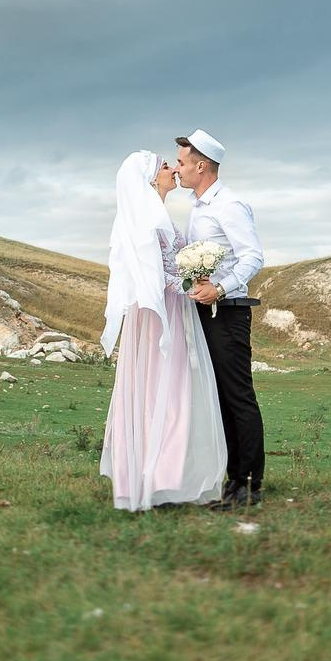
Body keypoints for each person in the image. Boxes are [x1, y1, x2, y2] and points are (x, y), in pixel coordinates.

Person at [97, 151, 228, 511]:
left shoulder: (159, 214)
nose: (172, 169)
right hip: (159, 314)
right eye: (165, 167)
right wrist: (185, 285)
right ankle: (153, 476)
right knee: (162, 386)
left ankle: (165, 475)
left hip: (173, 308)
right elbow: (150, 273)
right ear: (152, 179)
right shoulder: (146, 219)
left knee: (173, 388)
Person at [172, 129, 267, 507]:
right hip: (204, 313)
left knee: (237, 396)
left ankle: (249, 484)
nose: (177, 169)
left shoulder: (229, 204)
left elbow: (253, 257)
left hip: (228, 313)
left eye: (181, 162)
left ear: (201, 165)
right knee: (219, 397)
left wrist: (222, 288)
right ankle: (232, 481)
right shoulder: (198, 207)